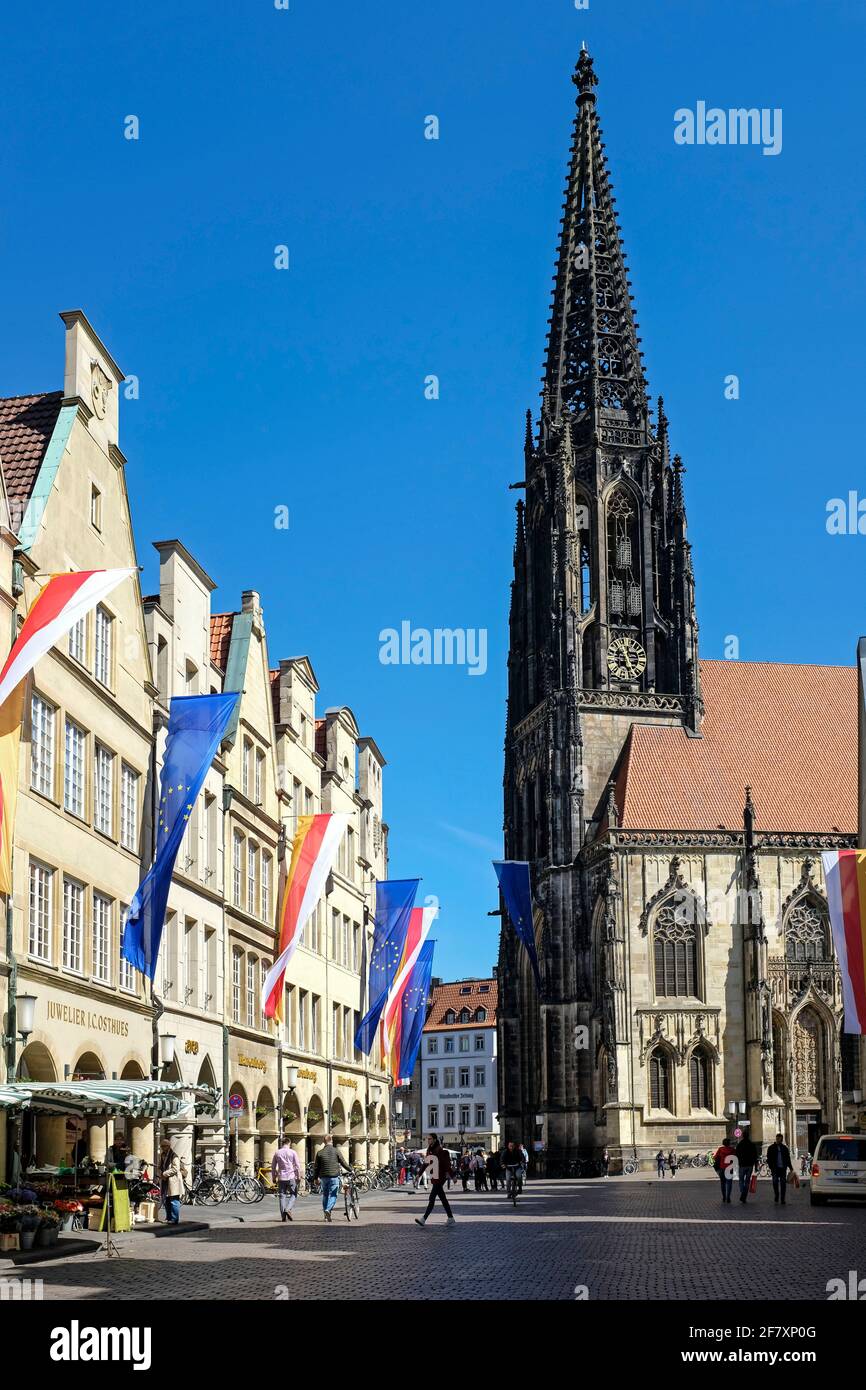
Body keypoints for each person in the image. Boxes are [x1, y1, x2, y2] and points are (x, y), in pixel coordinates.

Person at [415, 1135, 455, 1227]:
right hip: (434, 1176)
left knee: (432, 1198)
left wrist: (453, 1176)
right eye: (427, 1139)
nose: (428, 1140)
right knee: (443, 1199)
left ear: (434, 1140)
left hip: (440, 1177)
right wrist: (419, 1174)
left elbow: (446, 1164)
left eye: (430, 1139)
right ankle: (450, 1218)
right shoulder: (429, 1150)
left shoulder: (439, 1150)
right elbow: (425, 1163)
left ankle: (423, 1219)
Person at [313, 1134, 352, 1223]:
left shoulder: (320, 1152)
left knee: (325, 1195)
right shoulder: (336, 1151)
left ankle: (326, 1216)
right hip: (334, 1176)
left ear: (324, 1142)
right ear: (332, 1141)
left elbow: (316, 1167)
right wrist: (351, 1170)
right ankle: (328, 1209)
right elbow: (343, 1162)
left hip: (323, 1177)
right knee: (334, 1194)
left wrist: (315, 1178)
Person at [271, 1135, 301, 1222]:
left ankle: (283, 1215)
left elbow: (273, 1167)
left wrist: (273, 1177)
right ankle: (288, 1209)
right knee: (294, 1194)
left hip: (281, 1177)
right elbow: (297, 1166)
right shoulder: (293, 1152)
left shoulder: (277, 1153)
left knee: (282, 1196)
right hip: (291, 1176)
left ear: (282, 1143)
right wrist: (298, 1177)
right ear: (289, 1143)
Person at [159, 1139, 183, 1225]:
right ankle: (168, 1217)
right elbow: (160, 1166)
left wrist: (165, 1174)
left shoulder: (173, 1155)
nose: (163, 1148)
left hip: (173, 1181)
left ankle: (174, 1219)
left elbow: (176, 1168)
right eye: (161, 1146)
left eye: (164, 1146)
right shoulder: (162, 1155)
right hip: (165, 1180)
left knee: (174, 1200)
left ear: (169, 1146)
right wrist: (160, 1174)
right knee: (166, 1200)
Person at [765, 1133, 794, 1206]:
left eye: (780, 1139)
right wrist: (771, 1166)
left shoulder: (785, 1148)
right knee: (775, 1182)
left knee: (783, 1183)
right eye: (777, 1139)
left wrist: (790, 1167)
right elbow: (768, 1158)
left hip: (782, 1168)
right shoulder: (771, 1147)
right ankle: (777, 1195)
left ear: (782, 1139)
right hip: (775, 1168)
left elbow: (788, 1159)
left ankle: (782, 1198)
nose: (778, 1140)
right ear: (776, 1139)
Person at [735, 1133, 759, 1203]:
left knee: (741, 1180)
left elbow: (737, 1154)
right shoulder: (752, 1145)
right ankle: (744, 1194)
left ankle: (743, 1192)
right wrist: (756, 1166)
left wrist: (738, 1162)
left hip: (742, 1165)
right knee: (747, 1181)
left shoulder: (740, 1144)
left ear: (742, 1136)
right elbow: (755, 1156)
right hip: (750, 1165)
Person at [712, 1135, 736, 1203]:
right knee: (729, 1183)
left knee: (722, 1183)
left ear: (723, 1143)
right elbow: (735, 1158)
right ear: (729, 1143)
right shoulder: (732, 1150)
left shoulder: (720, 1149)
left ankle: (724, 1197)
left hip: (722, 1168)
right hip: (729, 1168)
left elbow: (715, 1158)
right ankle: (728, 1197)